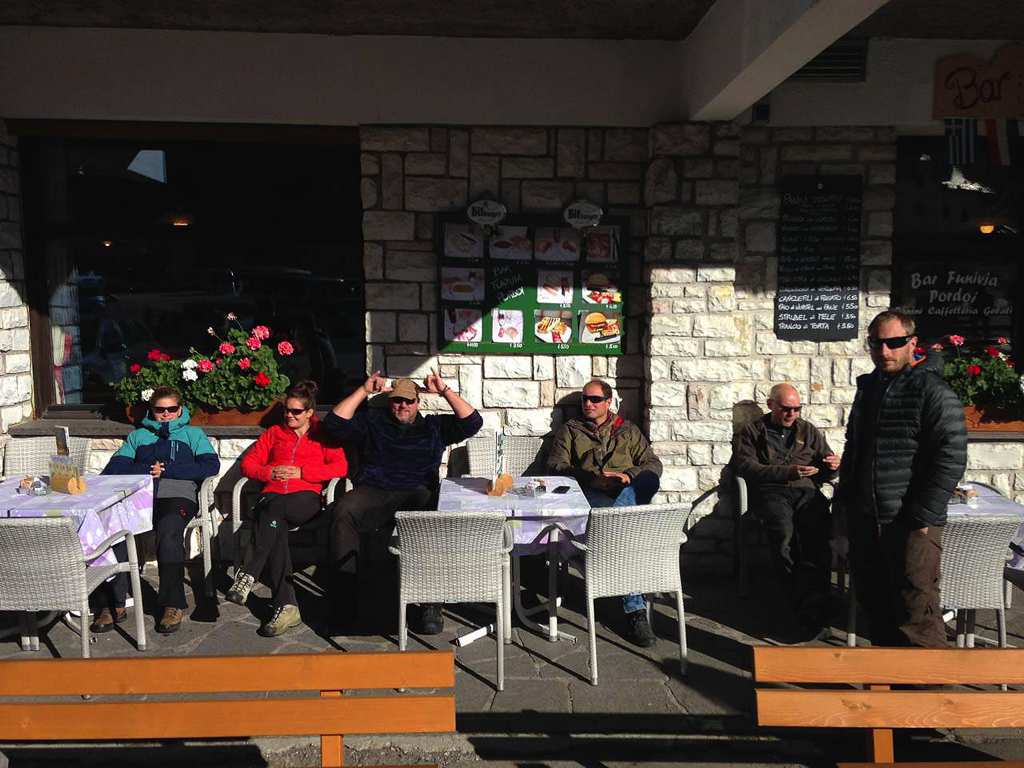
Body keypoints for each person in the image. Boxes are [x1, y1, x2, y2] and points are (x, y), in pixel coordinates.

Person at [836, 310, 967, 647]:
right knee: (876, 611)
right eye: (876, 343)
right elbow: (854, 449)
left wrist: (922, 517)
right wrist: (845, 508)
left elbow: (951, 456)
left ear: (912, 343)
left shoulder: (933, 391)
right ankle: (887, 681)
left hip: (910, 524)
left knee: (917, 617)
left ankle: (928, 683)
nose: (884, 351)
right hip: (867, 521)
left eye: (894, 342)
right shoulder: (869, 389)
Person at [323, 369, 482, 635]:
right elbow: (333, 423)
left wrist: (444, 391)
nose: (403, 406)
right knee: (343, 511)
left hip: (418, 492)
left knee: (435, 516)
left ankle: (431, 603)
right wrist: (364, 390)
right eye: (398, 400)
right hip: (375, 490)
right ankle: (345, 604)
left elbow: (473, 422)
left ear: (418, 402)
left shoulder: (434, 427)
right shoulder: (373, 422)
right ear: (390, 401)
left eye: (409, 401)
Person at [226, 380, 348, 637]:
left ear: (310, 412)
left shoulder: (322, 434)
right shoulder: (274, 433)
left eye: (296, 411)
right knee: (275, 523)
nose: (289, 415)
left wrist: (303, 472)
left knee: (271, 513)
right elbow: (248, 465)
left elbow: (340, 467)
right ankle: (286, 605)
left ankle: (249, 573)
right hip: (272, 498)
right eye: (286, 410)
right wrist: (269, 472)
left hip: (305, 499)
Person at [547, 379, 663, 647]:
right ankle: (635, 610)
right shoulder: (571, 430)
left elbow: (652, 463)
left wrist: (627, 475)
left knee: (647, 481)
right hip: (593, 494)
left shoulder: (627, 430)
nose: (588, 404)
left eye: (595, 399)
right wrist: (590, 478)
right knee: (625, 535)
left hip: (625, 492)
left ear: (608, 402)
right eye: (585, 399)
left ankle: (618, 520)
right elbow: (554, 465)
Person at [100, 386, 220, 634]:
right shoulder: (138, 436)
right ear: (152, 410)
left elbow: (210, 466)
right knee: (113, 528)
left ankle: (172, 604)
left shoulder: (193, 434)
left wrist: (169, 470)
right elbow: (114, 469)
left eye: (171, 409)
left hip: (178, 495)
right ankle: (113, 602)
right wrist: (146, 470)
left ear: (180, 410)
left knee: (169, 530)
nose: (166, 414)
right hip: (140, 498)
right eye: (160, 409)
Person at [731, 382, 841, 640]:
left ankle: (815, 608)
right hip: (772, 492)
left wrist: (833, 466)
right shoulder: (753, 432)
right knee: (784, 540)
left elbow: (826, 466)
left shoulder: (808, 430)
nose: (792, 414)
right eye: (786, 409)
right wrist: (786, 472)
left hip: (806, 491)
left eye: (797, 409)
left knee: (817, 539)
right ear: (771, 405)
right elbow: (745, 467)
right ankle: (796, 608)